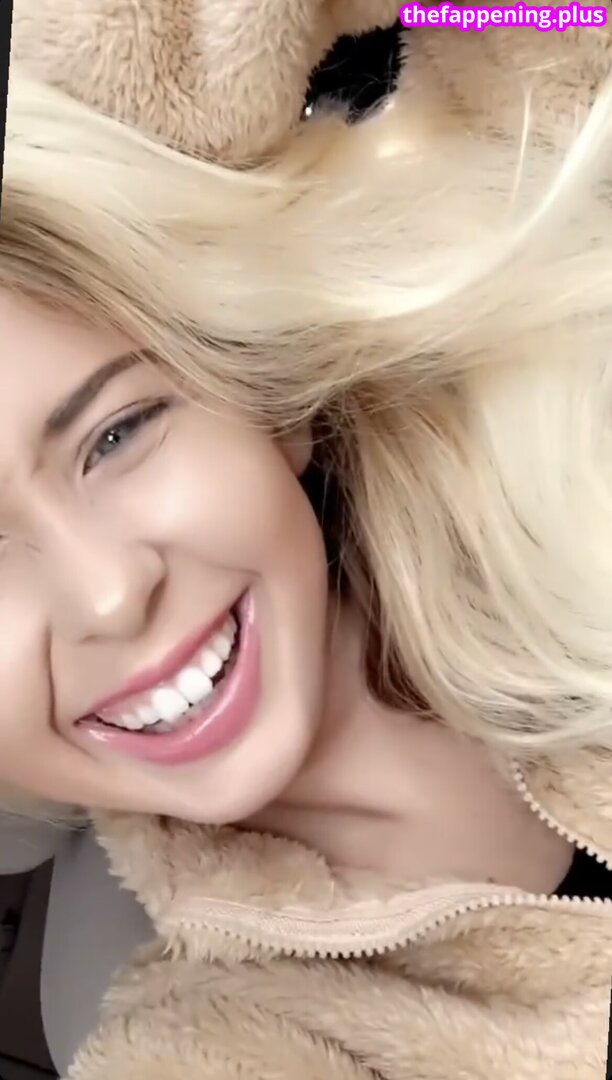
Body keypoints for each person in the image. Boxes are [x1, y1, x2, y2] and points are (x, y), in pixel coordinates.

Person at [2, 6, 612, 1077]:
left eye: (118, 434)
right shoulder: (219, 1046)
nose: (109, 594)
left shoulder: (567, 448)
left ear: (260, 397)